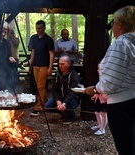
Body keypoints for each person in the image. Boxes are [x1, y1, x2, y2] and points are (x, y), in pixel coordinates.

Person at [85, 5, 135, 155]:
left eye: (113, 23)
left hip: (122, 106)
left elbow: (110, 83)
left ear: (120, 25)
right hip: (132, 100)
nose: (112, 26)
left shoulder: (121, 44)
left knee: (125, 147)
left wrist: (94, 89)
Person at [44, 55, 80, 124]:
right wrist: (58, 101)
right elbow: (54, 89)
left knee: (68, 106)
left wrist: (64, 103)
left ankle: (70, 115)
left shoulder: (74, 75)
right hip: (61, 97)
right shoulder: (58, 74)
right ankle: (63, 113)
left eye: (63, 64)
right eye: (59, 64)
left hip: (72, 98)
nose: (60, 66)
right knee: (47, 106)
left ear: (69, 64)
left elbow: (73, 92)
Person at [29, 20, 55, 116]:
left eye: (40, 28)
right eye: (37, 28)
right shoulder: (35, 38)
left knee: (41, 86)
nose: (38, 30)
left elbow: (52, 54)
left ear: (44, 28)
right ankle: (43, 101)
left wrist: (50, 67)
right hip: (35, 65)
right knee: (37, 86)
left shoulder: (48, 40)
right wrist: (30, 64)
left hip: (44, 66)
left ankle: (38, 107)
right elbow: (33, 52)